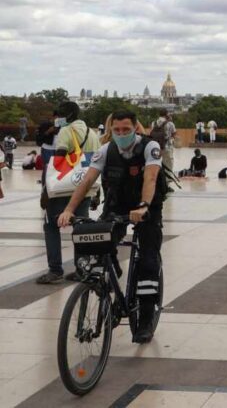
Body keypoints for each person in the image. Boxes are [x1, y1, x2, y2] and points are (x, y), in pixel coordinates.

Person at [57, 110, 165, 343]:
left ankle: (146, 317)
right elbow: (87, 180)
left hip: (146, 208)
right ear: (111, 130)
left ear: (136, 128)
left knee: (147, 260)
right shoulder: (106, 150)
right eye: (117, 130)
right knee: (97, 244)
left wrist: (144, 206)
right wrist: (69, 210)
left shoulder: (149, 147)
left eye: (126, 129)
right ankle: (109, 279)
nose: (121, 133)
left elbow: (151, 178)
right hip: (117, 206)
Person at [37, 101, 100, 284]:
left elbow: (57, 163)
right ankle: (82, 269)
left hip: (64, 188)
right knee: (80, 228)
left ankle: (55, 269)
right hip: (86, 188)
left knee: (51, 226)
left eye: (60, 114)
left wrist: (46, 191)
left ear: (69, 115)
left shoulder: (66, 131)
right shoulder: (93, 133)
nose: (57, 118)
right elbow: (96, 165)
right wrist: (97, 192)